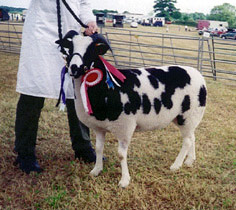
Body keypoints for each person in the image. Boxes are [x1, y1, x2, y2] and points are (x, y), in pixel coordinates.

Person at [14, 0, 98, 174]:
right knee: (33, 91)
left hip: (70, 34)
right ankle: (25, 153)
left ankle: (83, 148)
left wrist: (89, 21)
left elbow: (84, 3)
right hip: (40, 32)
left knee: (75, 92)